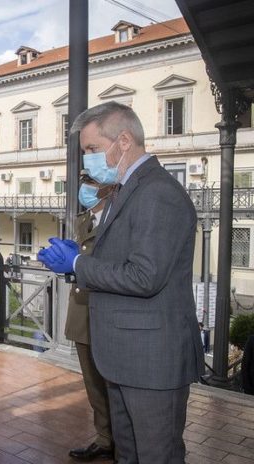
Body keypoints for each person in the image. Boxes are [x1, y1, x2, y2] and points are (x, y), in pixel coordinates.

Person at [38, 102, 204, 464]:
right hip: (124, 357)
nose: (87, 161)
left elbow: (145, 276)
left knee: (156, 456)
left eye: (92, 149)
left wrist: (79, 264)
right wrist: (78, 259)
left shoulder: (157, 192)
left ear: (124, 141)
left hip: (151, 361)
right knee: (128, 454)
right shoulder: (123, 191)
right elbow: (119, 260)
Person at [64, 173, 116, 462]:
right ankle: (104, 438)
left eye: (91, 184)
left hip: (106, 309)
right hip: (81, 308)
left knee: (112, 384)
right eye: (84, 183)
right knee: (93, 384)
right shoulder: (83, 220)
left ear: (107, 188)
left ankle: (123, 444)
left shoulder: (116, 219)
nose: (84, 189)